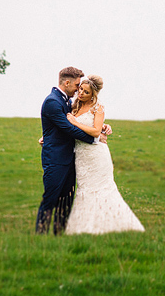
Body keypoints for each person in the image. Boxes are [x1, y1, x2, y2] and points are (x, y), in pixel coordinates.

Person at [62, 74, 144, 234]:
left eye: (86, 92)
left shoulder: (98, 107)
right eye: (81, 89)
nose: (81, 93)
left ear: (93, 94)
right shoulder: (74, 106)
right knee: (85, 188)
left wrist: (76, 122)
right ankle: (84, 226)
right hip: (81, 155)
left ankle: (113, 225)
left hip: (96, 154)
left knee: (102, 188)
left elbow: (95, 131)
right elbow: (64, 124)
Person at [36, 66, 110, 235]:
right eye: (77, 85)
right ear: (67, 83)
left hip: (71, 158)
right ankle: (40, 234)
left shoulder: (67, 102)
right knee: (50, 198)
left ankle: (59, 234)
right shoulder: (52, 101)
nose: (78, 90)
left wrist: (101, 126)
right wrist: (95, 138)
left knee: (66, 200)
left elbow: (77, 120)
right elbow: (68, 127)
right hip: (55, 159)